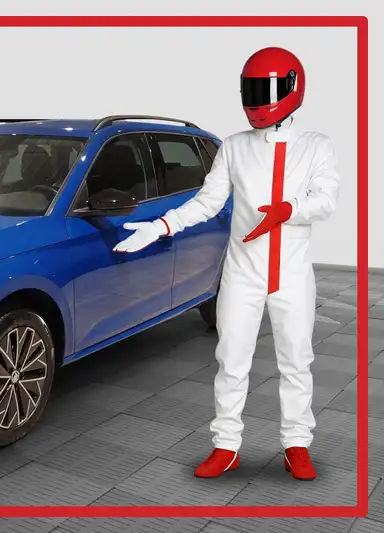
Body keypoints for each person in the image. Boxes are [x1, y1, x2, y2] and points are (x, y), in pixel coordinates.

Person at [114, 47, 341, 481]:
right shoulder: (234, 147)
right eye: (252, 91)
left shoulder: (316, 146)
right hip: (242, 272)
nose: (257, 101)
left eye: (266, 91)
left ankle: (297, 443)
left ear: (293, 88)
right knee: (231, 360)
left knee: (296, 361)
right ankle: (226, 446)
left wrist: (287, 210)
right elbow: (207, 202)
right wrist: (161, 226)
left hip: (292, 273)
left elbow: (325, 200)